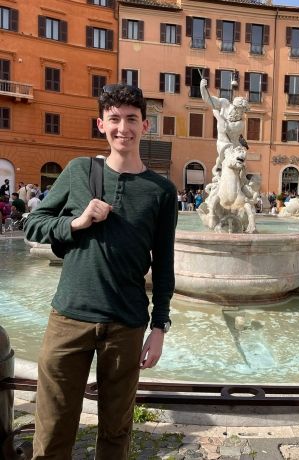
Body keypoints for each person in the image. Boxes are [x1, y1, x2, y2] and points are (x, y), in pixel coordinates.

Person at [24, 83, 177, 460]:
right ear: (100, 124)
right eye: (114, 119)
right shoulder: (79, 171)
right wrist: (74, 223)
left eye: (131, 119)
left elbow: (165, 264)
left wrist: (159, 327)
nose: (122, 127)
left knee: (116, 428)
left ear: (145, 126)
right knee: (53, 424)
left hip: (126, 323)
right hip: (69, 317)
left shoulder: (161, 191)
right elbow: (34, 223)